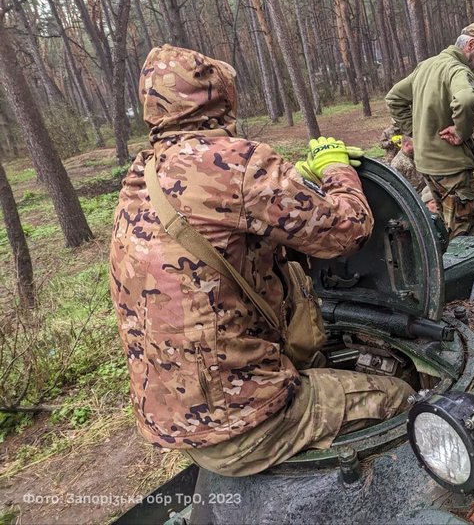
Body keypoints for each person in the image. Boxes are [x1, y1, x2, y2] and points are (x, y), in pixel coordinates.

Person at [110, 45, 412, 477]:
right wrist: (335, 170)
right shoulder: (237, 162)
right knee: (399, 395)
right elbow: (348, 231)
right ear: (221, 96)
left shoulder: (142, 175)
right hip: (245, 423)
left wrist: (297, 183)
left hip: (177, 421)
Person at [385, 22, 474, 238]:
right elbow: (466, 100)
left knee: (445, 230)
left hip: (427, 166)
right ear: (471, 45)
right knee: (466, 239)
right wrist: (461, 131)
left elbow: (393, 99)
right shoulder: (457, 70)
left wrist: (417, 133)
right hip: (451, 168)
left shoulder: (426, 66)